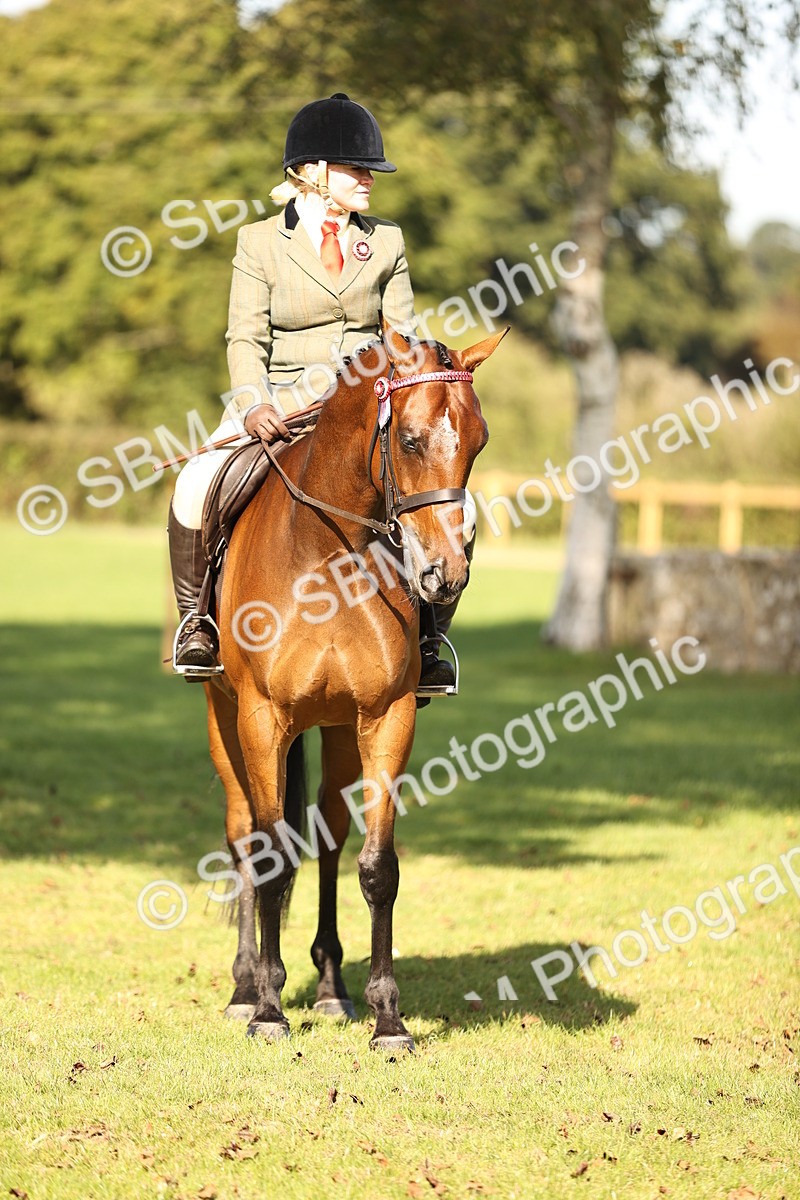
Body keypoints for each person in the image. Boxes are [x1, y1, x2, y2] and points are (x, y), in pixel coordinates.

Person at [167, 92, 474, 696]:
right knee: (195, 482)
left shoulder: (385, 240)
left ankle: (430, 640)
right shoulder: (259, 243)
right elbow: (244, 336)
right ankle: (197, 623)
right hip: (278, 400)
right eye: (356, 168)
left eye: (369, 171)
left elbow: (402, 337)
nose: (368, 180)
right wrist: (253, 402)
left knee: (456, 507)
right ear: (311, 173)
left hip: (365, 405)